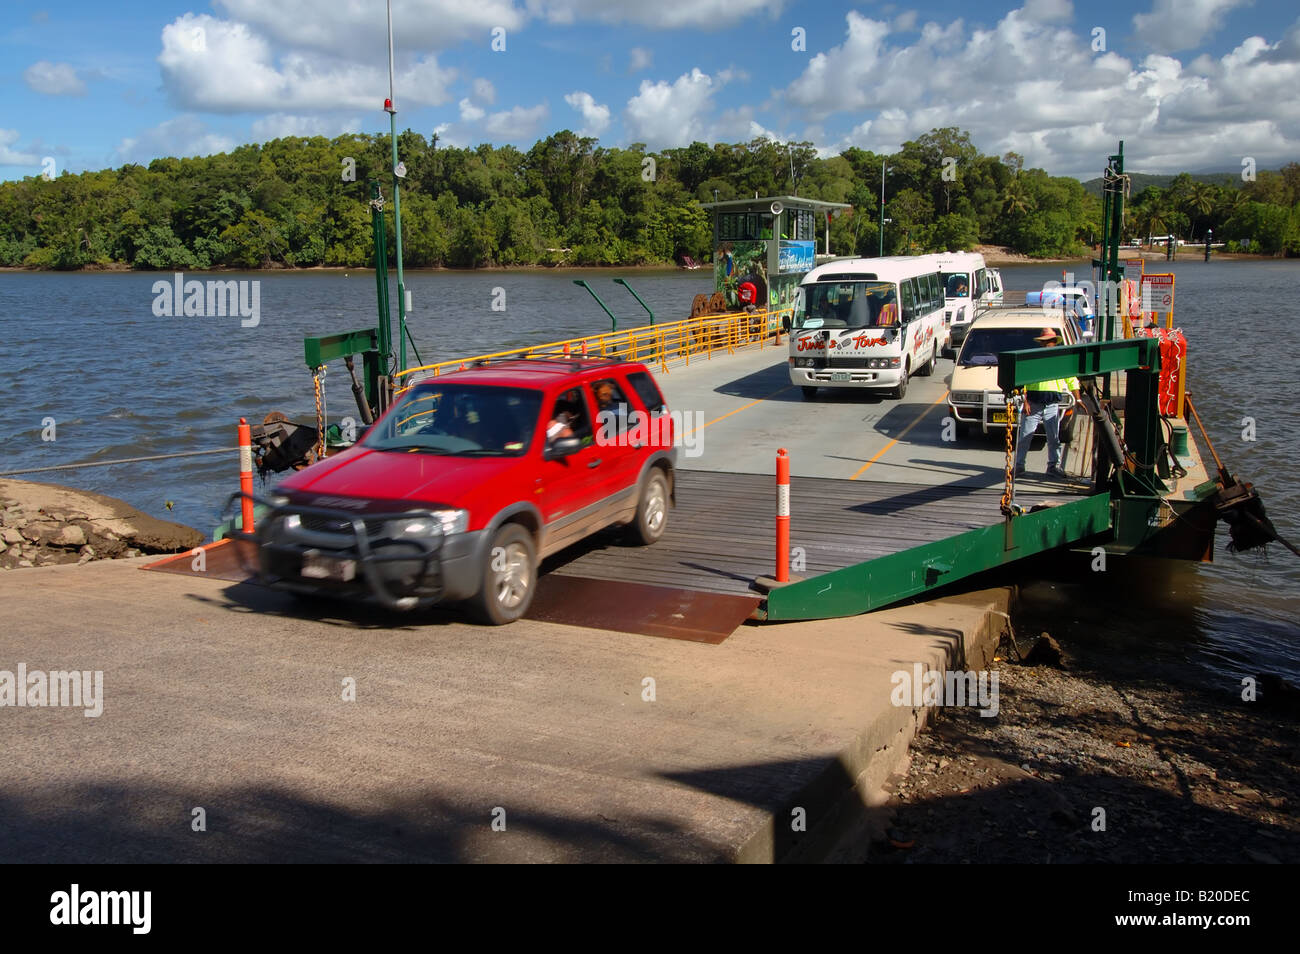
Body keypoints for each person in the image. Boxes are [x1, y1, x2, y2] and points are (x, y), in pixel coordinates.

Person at [1014, 328, 1082, 479]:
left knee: (1053, 438)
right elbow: (1023, 380)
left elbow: (1072, 380)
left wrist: (1078, 399)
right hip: (1034, 403)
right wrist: (1025, 401)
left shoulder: (1060, 361)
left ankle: (1053, 466)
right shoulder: (1034, 360)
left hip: (1051, 404)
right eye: (1044, 342)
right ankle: (1019, 465)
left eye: (1049, 342)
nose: (1047, 344)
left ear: (1053, 342)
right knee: (1025, 436)